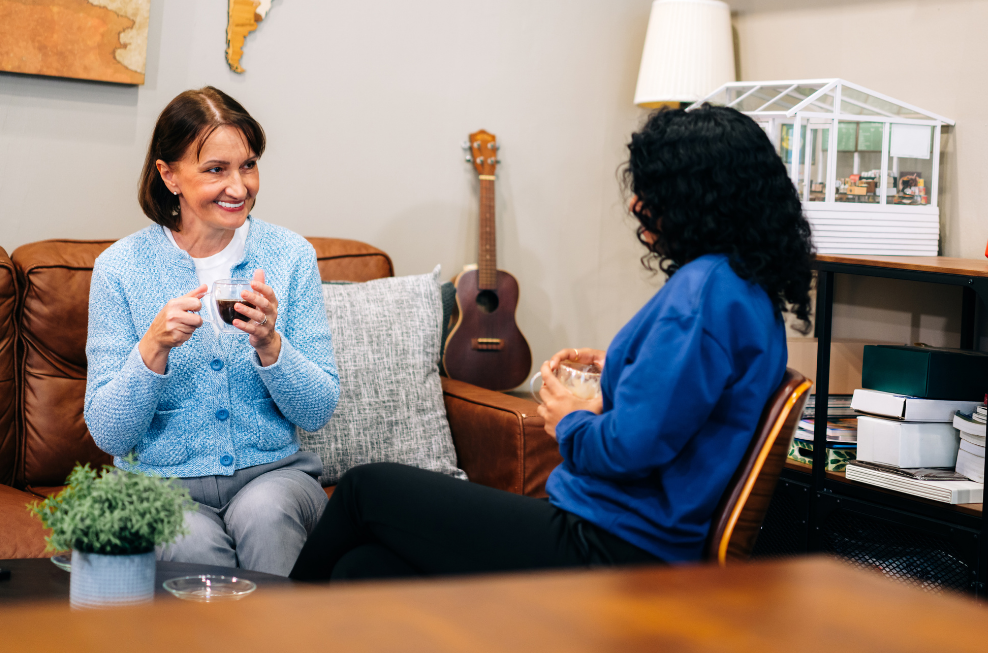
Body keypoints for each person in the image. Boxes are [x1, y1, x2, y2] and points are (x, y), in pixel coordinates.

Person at [289, 104, 815, 581]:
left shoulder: (702, 296)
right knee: (365, 569)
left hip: (609, 542)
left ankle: (259, 630)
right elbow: (688, 401)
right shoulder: (745, 289)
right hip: (629, 532)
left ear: (699, 197)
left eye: (653, 190)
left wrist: (569, 421)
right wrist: (621, 369)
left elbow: (628, 450)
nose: (636, 203)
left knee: (364, 489)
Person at [85, 87, 340, 576]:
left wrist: (271, 344)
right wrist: (153, 348)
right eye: (216, 170)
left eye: (248, 165)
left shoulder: (290, 256)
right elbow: (109, 432)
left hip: (272, 478)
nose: (239, 187)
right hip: (159, 485)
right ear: (169, 175)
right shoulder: (119, 268)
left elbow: (317, 410)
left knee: (266, 515)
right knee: (190, 542)